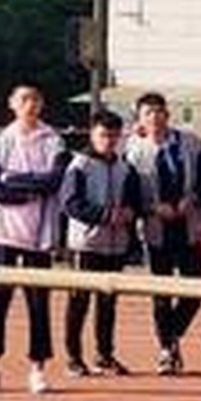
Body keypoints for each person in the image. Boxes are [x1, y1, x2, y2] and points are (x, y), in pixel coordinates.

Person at [0, 83, 69, 396]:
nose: (30, 104)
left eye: (36, 99)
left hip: (39, 234)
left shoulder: (53, 141)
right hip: (2, 233)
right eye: (24, 99)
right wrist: (27, 190)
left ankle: (37, 369)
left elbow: (54, 181)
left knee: (38, 303)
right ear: (12, 104)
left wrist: (14, 181)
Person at [127, 91, 201, 375]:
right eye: (147, 113)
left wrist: (195, 200)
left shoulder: (190, 143)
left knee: (197, 286)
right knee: (161, 293)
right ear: (139, 119)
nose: (154, 117)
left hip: (188, 225)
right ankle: (166, 350)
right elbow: (128, 194)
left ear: (167, 114)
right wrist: (152, 208)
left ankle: (172, 334)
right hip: (156, 229)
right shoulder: (133, 151)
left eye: (158, 111)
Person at [59, 110, 144, 378]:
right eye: (103, 135)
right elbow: (71, 204)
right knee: (78, 301)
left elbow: (134, 202)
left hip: (115, 245)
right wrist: (105, 215)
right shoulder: (79, 166)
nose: (109, 141)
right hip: (86, 244)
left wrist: (131, 213)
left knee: (108, 303)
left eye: (114, 136)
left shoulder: (125, 168)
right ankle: (73, 357)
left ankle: (104, 355)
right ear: (93, 134)